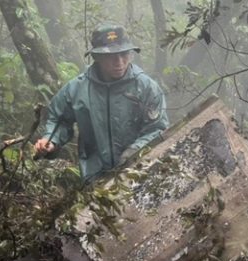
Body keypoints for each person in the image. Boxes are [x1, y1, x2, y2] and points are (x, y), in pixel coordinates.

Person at [34, 22, 169, 181]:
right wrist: (51, 140)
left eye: (124, 54)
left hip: (139, 171)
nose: (119, 62)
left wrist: (134, 152)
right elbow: (59, 119)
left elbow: (157, 128)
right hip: (95, 176)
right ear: (96, 57)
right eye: (111, 56)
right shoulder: (77, 88)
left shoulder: (146, 87)